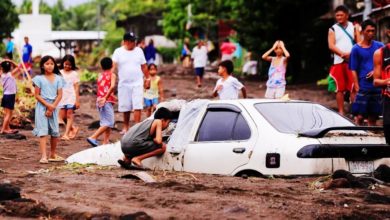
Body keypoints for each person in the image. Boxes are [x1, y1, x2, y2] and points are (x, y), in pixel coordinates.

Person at [112, 32, 150, 134]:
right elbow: (113, 66)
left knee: (138, 105)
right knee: (125, 106)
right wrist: (109, 77)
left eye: (135, 40)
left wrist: (148, 78)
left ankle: (137, 127)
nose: (134, 42)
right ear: (126, 42)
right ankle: (126, 127)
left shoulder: (139, 51)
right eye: (132, 41)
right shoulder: (118, 52)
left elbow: (144, 66)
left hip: (137, 82)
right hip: (124, 83)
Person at [349, 20, 384, 126]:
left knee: (373, 116)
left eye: (373, 31)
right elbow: (353, 69)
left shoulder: (380, 46)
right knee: (359, 116)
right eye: (368, 31)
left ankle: (371, 139)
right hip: (363, 86)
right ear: (362, 32)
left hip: (376, 85)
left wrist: (375, 71)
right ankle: (358, 137)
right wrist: (356, 86)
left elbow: (385, 64)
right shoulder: (356, 49)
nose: (371, 33)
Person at [328, 5, 361, 115]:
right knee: (339, 88)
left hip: (352, 61)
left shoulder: (354, 26)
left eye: (341, 15)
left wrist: (350, 54)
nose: (339, 17)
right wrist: (342, 54)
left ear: (347, 15)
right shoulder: (332, 29)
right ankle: (341, 112)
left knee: (353, 87)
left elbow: (359, 43)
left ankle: (354, 112)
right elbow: (331, 46)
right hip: (338, 61)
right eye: (337, 15)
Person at [32, 56, 65, 164]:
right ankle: (44, 156)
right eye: (47, 64)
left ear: (55, 65)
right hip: (42, 106)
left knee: (55, 132)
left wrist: (52, 107)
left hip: (54, 107)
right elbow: (37, 95)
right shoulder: (38, 79)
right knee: (43, 131)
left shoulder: (59, 78)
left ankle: (53, 154)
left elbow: (60, 95)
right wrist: (48, 106)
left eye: (51, 63)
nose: (50, 66)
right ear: (42, 66)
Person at [87, 57, 117, 146]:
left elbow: (103, 88)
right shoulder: (112, 75)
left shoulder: (100, 75)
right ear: (112, 65)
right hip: (105, 101)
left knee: (106, 122)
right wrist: (106, 97)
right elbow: (112, 87)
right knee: (109, 122)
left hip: (99, 100)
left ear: (101, 66)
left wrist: (111, 97)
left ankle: (105, 142)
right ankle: (93, 137)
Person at [373, 23, 390, 144]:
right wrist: (387, 81)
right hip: (388, 98)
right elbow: (376, 81)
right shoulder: (380, 53)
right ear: (388, 33)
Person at [58, 55, 80, 140]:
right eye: (66, 64)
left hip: (71, 97)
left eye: (69, 65)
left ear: (72, 65)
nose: (67, 66)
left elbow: (76, 87)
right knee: (62, 117)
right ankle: (73, 128)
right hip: (62, 98)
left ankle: (66, 134)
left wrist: (77, 100)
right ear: (63, 63)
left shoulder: (74, 74)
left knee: (69, 114)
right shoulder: (60, 73)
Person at [0, 60, 20, 134]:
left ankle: (7, 128)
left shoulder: (2, 75)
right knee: (9, 114)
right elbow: (19, 67)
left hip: (5, 95)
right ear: (10, 67)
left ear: (2, 68)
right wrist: (10, 60)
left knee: (7, 114)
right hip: (10, 96)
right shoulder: (10, 74)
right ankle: (3, 130)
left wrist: (2, 63)